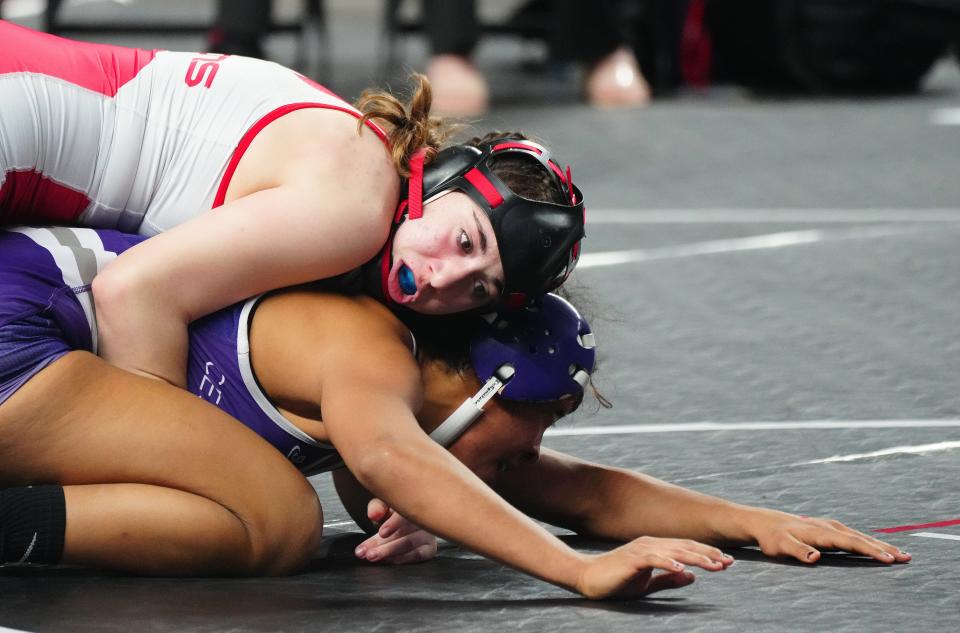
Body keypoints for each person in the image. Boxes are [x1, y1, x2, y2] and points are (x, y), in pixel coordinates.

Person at [0, 226, 909, 596]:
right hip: (20, 321)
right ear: (486, 391)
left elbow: (582, 494)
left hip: (33, 344)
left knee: (257, 502)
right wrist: (574, 572)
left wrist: (751, 521)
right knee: (274, 516)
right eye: (535, 432)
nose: (532, 456)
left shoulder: (398, 399)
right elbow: (402, 462)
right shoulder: (363, 347)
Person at [0, 20, 585, 385]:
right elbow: (132, 294)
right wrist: (163, 461)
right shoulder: (354, 210)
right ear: (442, 178)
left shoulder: (366, 173)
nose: (445, 279)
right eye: (466, 241)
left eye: (478, 288)